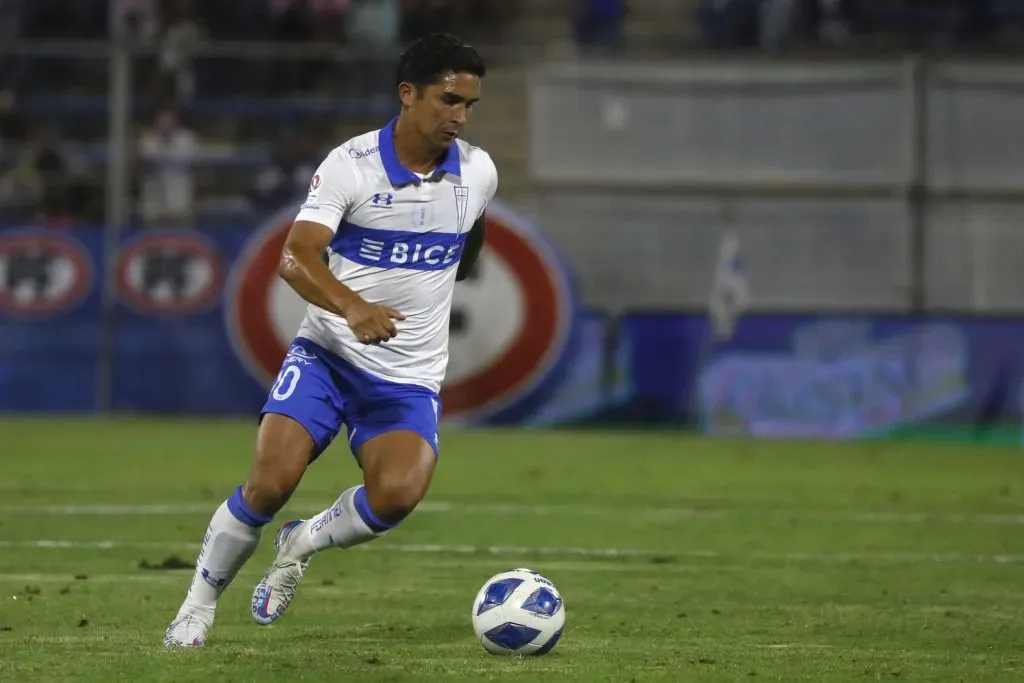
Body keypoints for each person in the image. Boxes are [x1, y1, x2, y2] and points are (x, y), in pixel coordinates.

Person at [163, 32, 497, 648]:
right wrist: (353, 306)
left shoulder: (477, 171)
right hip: (328, 355)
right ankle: (196, 607)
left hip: (408, 374)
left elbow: (472, 233)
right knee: (269, 482)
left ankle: (305, 540)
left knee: (396, 496)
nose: (460, 116)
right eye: (449, 100)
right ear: (407, 94)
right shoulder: (352, 165)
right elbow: (295, 258)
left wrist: (459, 264)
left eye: (469, 105)